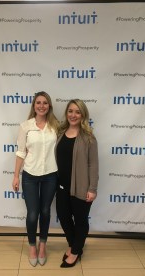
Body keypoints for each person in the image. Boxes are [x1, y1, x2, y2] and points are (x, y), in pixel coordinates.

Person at [12, 91, 59, 267]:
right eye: (38, 102)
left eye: (45, 103)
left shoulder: (56, 126)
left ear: (49, 106)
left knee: (45, 211)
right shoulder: (25, 126)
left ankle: (43, 246)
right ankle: (32, 246)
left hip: (51, 175)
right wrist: (16, 175)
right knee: (33, 214)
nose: (41, 106)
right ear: (34, 105)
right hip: (30, 175)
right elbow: (20, 152)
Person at [55, 99, 99, 268]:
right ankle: (75, 245)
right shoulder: (60, 132)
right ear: (66, 113)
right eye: (70, 111)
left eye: (77, 112)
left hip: (81, 187)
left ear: (83, 115)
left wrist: (92, 188)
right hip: (61, 187)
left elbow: (93, 164)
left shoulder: (89, 138)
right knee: (64, 218)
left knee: (80, 221)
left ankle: (75, 252)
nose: (73, 115)